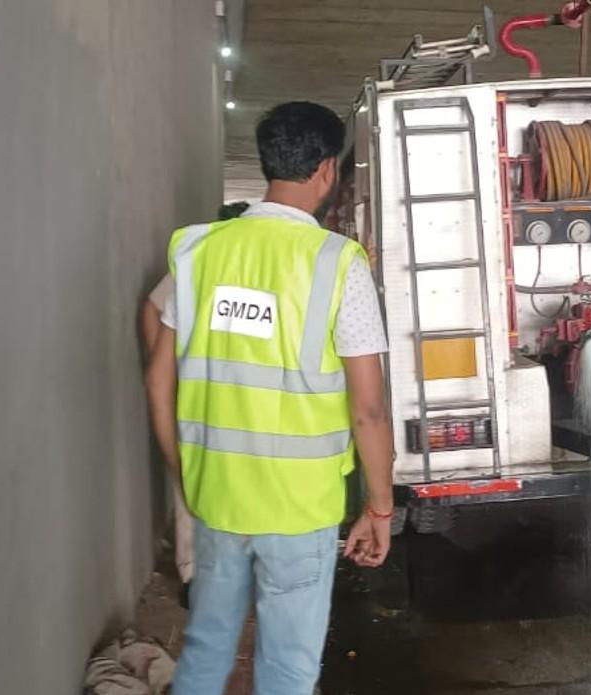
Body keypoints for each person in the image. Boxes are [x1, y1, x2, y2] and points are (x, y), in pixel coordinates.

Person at [145, 101, 394, 695]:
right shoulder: (338, 264)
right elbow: (369, 408)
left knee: (207, 644)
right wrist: (379, 507)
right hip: (296, 506)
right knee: (286, 666)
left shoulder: (199, 251)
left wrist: (188, 471)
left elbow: (159, 378)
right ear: (327, 170)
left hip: (218, 495)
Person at [140, 201, 251, 608]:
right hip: (197, 389)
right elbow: (151, 309)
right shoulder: (197, 265)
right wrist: (163, 365)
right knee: (190, 478)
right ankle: (194, 575)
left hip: (232, 391)